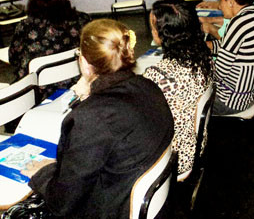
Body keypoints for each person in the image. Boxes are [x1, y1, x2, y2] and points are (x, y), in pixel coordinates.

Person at [22, 19, 174, 218]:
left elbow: (63, 202)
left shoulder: (92, 117)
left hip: (111, 208)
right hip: (148, 202)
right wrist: (91, 93)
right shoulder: (148, 87)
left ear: (84, 63)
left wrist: (44, 173)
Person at [143, 0, 212, 175]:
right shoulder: (202, 55)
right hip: (195, 146)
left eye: (153, 27)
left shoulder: (158, 75)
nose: (151, 31)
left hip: (174, 158)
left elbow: (144, 119)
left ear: (166, 33)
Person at [8, 0, 90, 99]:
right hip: (76, 82)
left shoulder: (26, 26)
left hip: (37, 91)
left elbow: (13, 58)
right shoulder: (83, 20)